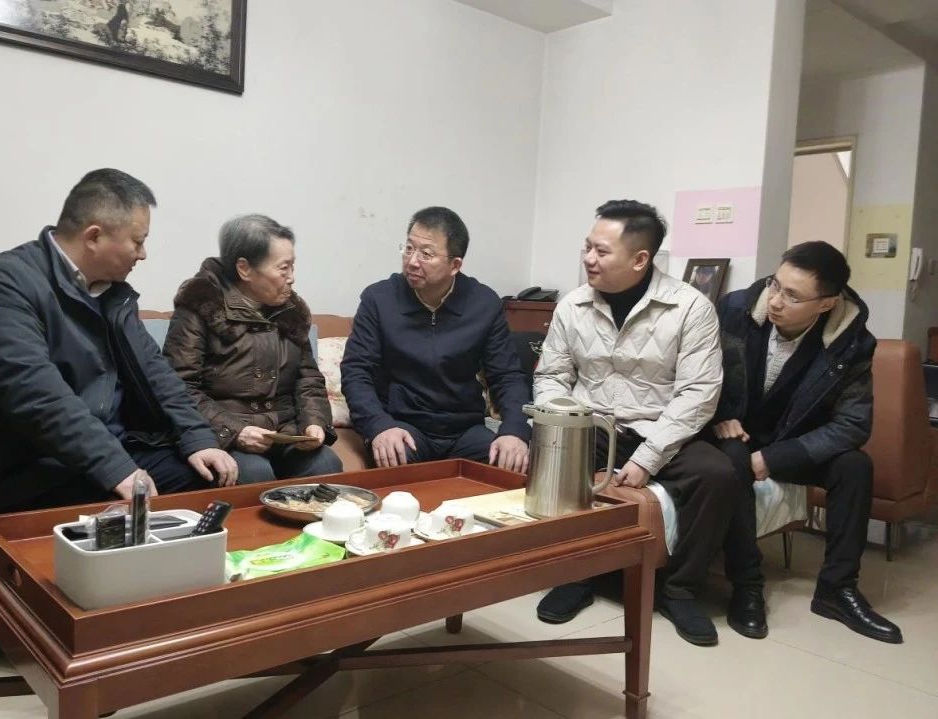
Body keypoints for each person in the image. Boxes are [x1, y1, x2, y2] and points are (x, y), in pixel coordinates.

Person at [0, 168, 237, 513]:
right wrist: (116, 469)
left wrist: (198, 438)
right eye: (138, 241)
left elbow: (157, 373)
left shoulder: (112, 293)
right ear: (94, 237)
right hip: (43, 465)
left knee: (221, 477)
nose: (143, 254)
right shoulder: (5, 282)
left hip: (119, 448)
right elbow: (36, 393)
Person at [533, 200, 734, 646]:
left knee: (718, 475)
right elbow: (551, 376)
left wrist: (648, 457)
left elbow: (698, 393)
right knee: (550, 452)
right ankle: (575, 574)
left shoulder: (690, 308)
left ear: (640, 259)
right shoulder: (573, 305)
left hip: (658, 428)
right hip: (589, 424)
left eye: (601, 251)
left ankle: (681, 590)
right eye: (587, 247)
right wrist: (561, 421)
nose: (589, 259)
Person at [713, 241, 903, 643]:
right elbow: (696, 373)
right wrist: (718, 416)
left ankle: (837, 589)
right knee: (733, 458)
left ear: (827, 304)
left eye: (793, 296)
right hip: (732, 432)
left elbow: (853, 424)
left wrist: (774, 457)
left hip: (791, 444)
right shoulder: (734, 310)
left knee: (854, 465)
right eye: (775, 285)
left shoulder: (852, 343)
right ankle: (746, 584)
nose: (775, 301)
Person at [341, 206, 531, 472]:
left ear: (455, 265)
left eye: (426, 254)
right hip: (403, 427)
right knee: (395, 459)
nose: (412, 261)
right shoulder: (379, 299)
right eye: (409, 248)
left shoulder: (484, 303)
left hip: (464, 430)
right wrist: (379, 425)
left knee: (510, 466)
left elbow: (507, 376)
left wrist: (515, 431)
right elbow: (356, 371)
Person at [163, 214, 342, 483]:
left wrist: (313, 423)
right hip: (224, 436)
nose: (292, 278)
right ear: (244, 269)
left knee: (326, 463)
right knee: (254, 473)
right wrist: (236, 431)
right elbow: (179, 387)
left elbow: (308, 379)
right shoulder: (200, 305)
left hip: (284, 432)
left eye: (293, 266)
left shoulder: (291, 310)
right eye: (283, 268)